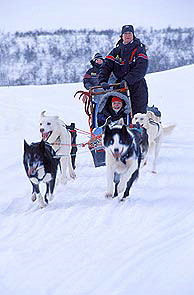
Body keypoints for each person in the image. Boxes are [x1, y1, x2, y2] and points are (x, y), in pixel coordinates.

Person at [99, 25, 148, 116]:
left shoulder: (139, 50)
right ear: (122, 36)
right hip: (119, 85)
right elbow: (106, 66)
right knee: (118, 112)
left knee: (138, 113)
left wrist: (127, 80)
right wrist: (103, 80)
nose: (127, 35)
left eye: (130, 33)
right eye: (125, 33)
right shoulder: (116, 51)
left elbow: (141, 69)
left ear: (133, 35)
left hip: (137, 85)